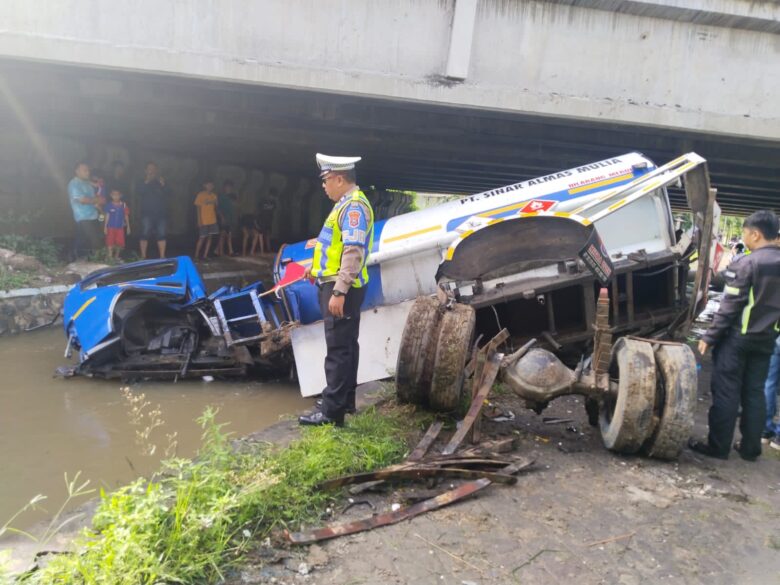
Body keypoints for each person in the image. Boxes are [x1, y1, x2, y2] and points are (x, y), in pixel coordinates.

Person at [690, 210, 780, 461]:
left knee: (726, 392)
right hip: (766, 339)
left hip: (737, 340)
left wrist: (709, 337)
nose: (745, 238)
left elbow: (730, 305)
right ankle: (751, 449)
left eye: (744, 233)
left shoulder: (748, 263)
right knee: (755, 392)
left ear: (755, 234)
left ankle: (718, 447)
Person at [299, 154, 374, 427]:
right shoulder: (345, 205)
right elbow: (335, 246)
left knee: (338, 349)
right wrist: (315, 268)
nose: (323, 185)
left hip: (342, 288)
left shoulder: (353, 208)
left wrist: (339, 291)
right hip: (337, 282)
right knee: (347, 346)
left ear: (340, 179)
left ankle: (331, 413)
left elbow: (353, 251)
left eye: (326, 180)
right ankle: (344, 401)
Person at [67, 162, 101, 260]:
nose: (88, 172)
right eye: (85, 170)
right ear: (77, 171)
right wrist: (97, 200)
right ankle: (77, 258)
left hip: (94, 215)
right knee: (94, 240)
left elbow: (94, 196)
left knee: (87, 239)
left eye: (88, 170)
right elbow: (82, 200)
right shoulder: (74, 183)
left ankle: (76, 257)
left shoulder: (87, 183)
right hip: (83, 217)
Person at [137, 162, 169, 259]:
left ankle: (162, 257)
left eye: (154, 169)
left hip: (160, 213)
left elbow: (169, 193)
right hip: (147, 213)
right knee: (145, 233)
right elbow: (139, 192)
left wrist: (163, 185)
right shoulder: (141, 182)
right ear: (145, 171)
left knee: (162, 234)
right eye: (150, 169)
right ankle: (143, 256)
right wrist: (146, 181)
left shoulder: (160, 181)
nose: (152, 171)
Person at [194, 180, 219, 260]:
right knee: (202, 238)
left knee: (210, 238)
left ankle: (205, 255)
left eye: (212, 185)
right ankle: (196, 255)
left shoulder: (214, 195)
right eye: (208, 185)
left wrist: (216, 202)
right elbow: (198, 208)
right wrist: (199, 220)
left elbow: (216, 207)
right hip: (203, 220)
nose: (210, 186)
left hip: (212, 220)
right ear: (205, 185)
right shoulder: (201, 195)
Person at [103, 188, 130, 261]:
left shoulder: (123, 205)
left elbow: (126, 215)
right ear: (111, 196)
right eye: (114, 195)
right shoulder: (109, 205)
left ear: (120, 196)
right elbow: (107, 216)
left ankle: (116, 257)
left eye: (117, 195)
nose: (116, 196)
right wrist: (105, 227)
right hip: (110, 227)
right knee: (110, 242)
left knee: (120, 243)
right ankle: (110, 257)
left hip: (120, 227)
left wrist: (128, 226)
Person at [216, 179, 238, 257]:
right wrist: (221, 217)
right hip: (223, 218)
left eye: (230, 187)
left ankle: (218, 251)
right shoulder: (221, 196)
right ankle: (222, 252)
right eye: (227, 186)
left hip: (231, 219)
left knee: (228, 235)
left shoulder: (234, 196)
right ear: (224, 187)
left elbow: (235, 207)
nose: (228, 188)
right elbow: (218, 208)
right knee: (222, 235)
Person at [254, 188, 277, 254]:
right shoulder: (262, 201)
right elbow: (258, 210)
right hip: (261, 220)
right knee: (260, 235)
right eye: (272, 196)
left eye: (274, 197)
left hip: (269, 220)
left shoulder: (274, 202)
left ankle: (268, 249)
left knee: (268, 235)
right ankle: (259, 249)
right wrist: (256, 219)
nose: (272, 198)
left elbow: (273, 210)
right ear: (269, 195)